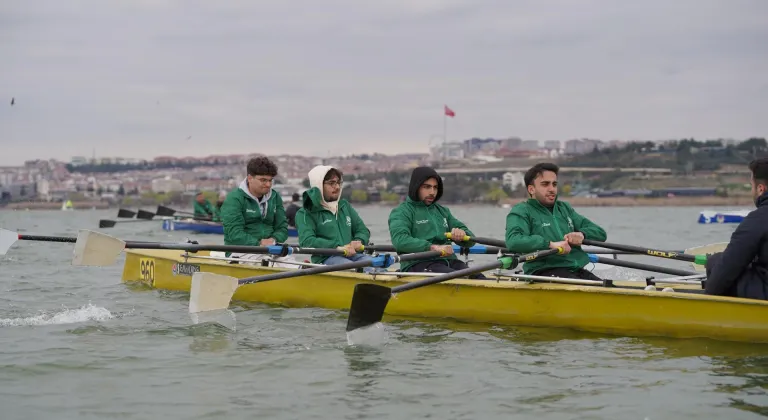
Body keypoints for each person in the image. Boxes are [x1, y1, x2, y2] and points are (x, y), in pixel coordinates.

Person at [505, 162, 607, 280]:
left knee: (609, 289)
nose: (552, 189)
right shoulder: (522, 211)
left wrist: (582, 234)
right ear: (531, 189)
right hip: (542, 272)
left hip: (575, 269)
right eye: (545, 184)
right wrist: (550, 245)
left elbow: (601, 233)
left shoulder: (564, 208)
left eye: (554, 184)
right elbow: (513, 241)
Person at [388, 166, 484, 278]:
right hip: (418, 263)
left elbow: (471, 240)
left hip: (449, 261)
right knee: (459, 278)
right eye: (427, 187)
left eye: (435, 187)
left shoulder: (443, 211)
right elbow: (400, 240)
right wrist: (432, 247)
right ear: (416, 187)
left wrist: (462, 234)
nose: (432, 192)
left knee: (480, 278)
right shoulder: (401, 212)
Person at [294, 165, 384, 273]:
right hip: (326, 259)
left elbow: (362, 230)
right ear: (318, 185)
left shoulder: (345, 206)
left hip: (354, 255)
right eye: (331, 183)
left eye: (338, 183)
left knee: (378, 266)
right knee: (355, 269)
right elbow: (307, 241)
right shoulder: (305, 213)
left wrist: (358, 241)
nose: (337, 187)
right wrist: (337, 247)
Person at [705, 158, 768, 300]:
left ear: (760, 189)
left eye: (751, 186)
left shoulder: (757, 220)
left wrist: (708, 296)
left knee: (715, 261)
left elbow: (722, 274)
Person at [219, 156, 294, 267]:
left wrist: (274, 239)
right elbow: (234, 233)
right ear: (250, 178)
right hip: (240, 251)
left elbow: (282, 228)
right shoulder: (234, 199)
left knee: (296, 267)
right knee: (268, 264)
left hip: (271, 249)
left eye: (270, 180)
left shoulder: (275, 197)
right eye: (263, 180)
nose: (268, 185)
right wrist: (259, 243)